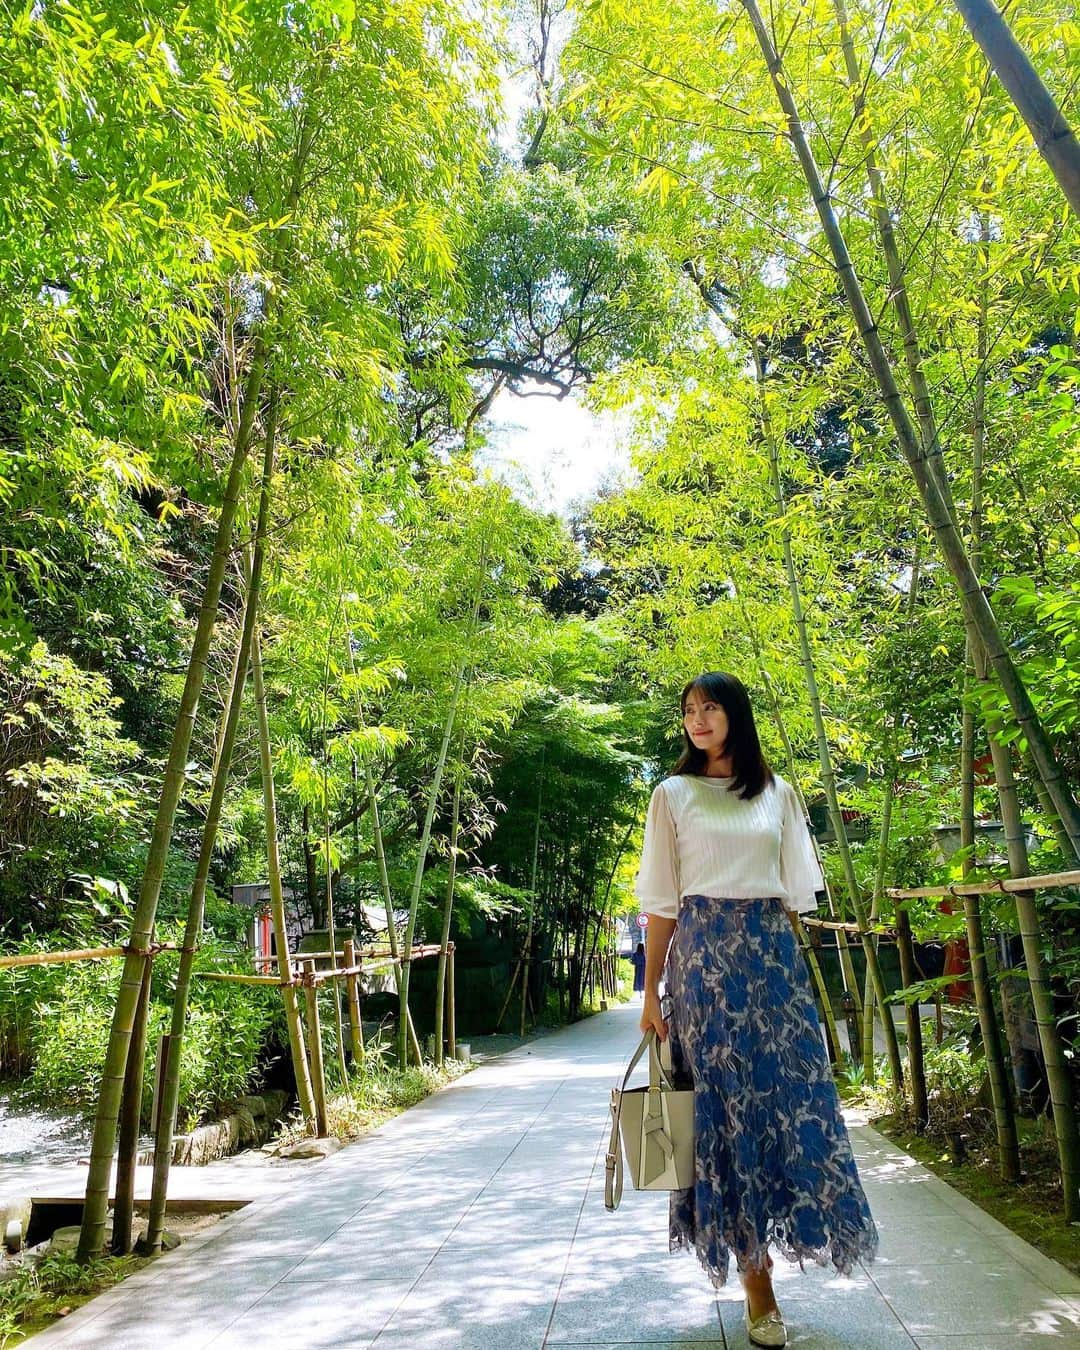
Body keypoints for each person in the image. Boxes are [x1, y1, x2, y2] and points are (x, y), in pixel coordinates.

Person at [634, 671, 878, 1349]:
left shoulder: (779, 793)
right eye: (688, 711)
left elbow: (795, 895)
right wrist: (651, 994)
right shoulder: (672, 794)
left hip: (773, 965)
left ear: (735, 714)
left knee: (790, 1105)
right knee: (725, 1117)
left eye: (710, 707)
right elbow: (661, 904)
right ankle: (757, 1283)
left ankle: (788, 1242)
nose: (698, 719)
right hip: (705, 971)